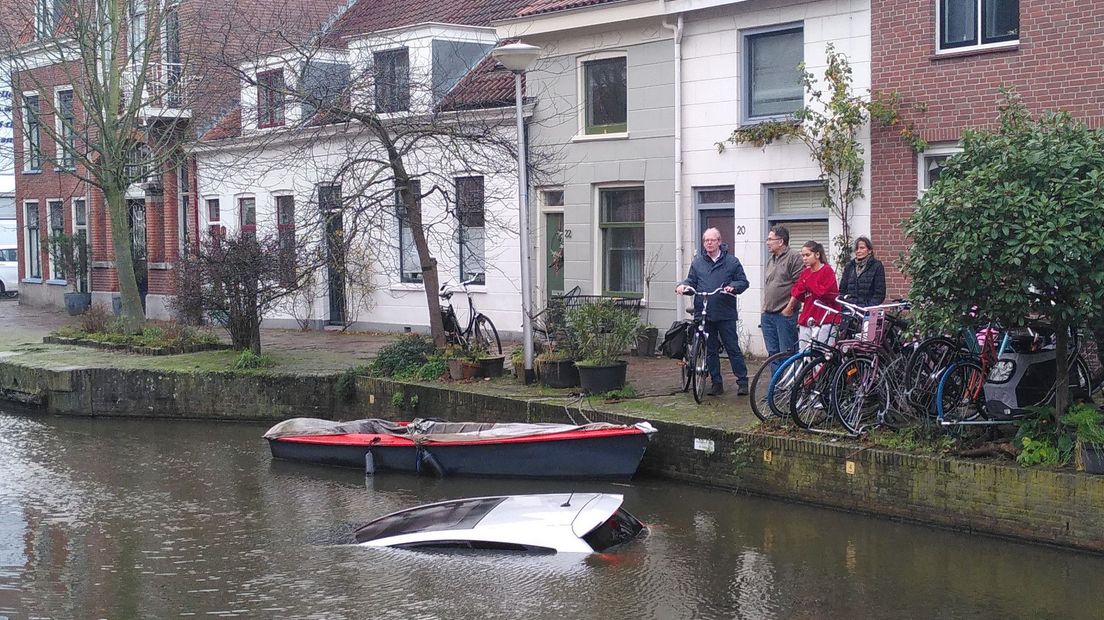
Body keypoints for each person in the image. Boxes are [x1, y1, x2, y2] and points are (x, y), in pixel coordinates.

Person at [675, 228, 750, 396]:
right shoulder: (698, 262)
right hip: (704, 312)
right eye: (705, 240)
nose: (708, 243)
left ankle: (742, 381)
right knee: (710, 350)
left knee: (732, 348)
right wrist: (683, 286)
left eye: (712, 240)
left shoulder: (732, 262)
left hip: (725, 313)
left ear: (719, 241)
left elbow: (743, 282)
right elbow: (691, 281)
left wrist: (733, 287)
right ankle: (716, 382)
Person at [783, 240, 841, 348]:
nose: (804, 258)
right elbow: (797, 291)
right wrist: (789, 306)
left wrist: (808, 283)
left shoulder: (827, 271)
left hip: (824, 318)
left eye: (807, 255)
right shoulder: (805, 273)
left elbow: (825, 293)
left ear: (817, 254)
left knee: (821, 353)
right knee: (804, 352)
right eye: (803, 255)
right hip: (808, 317)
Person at [761, 225, 804, 360]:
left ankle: (791, 381)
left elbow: (799, 285)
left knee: (788, 353)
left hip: (784, 314)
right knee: (773, 355)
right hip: (768, 315)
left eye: (770, 239)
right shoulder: (771, 259)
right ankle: (777, 381)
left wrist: (789, 308)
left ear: (781, 241)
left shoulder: (794, 257)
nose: (767, 242)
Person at [838, 236, 886, 307]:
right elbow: (842, 290)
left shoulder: (876, 266)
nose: (858, 251)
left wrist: (868, 306)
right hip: (850, 310)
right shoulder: (849, 266)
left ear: (869, 250)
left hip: (867, 310)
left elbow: (879, 293)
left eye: (862, 248)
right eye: (856, 249)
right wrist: (846, 304)